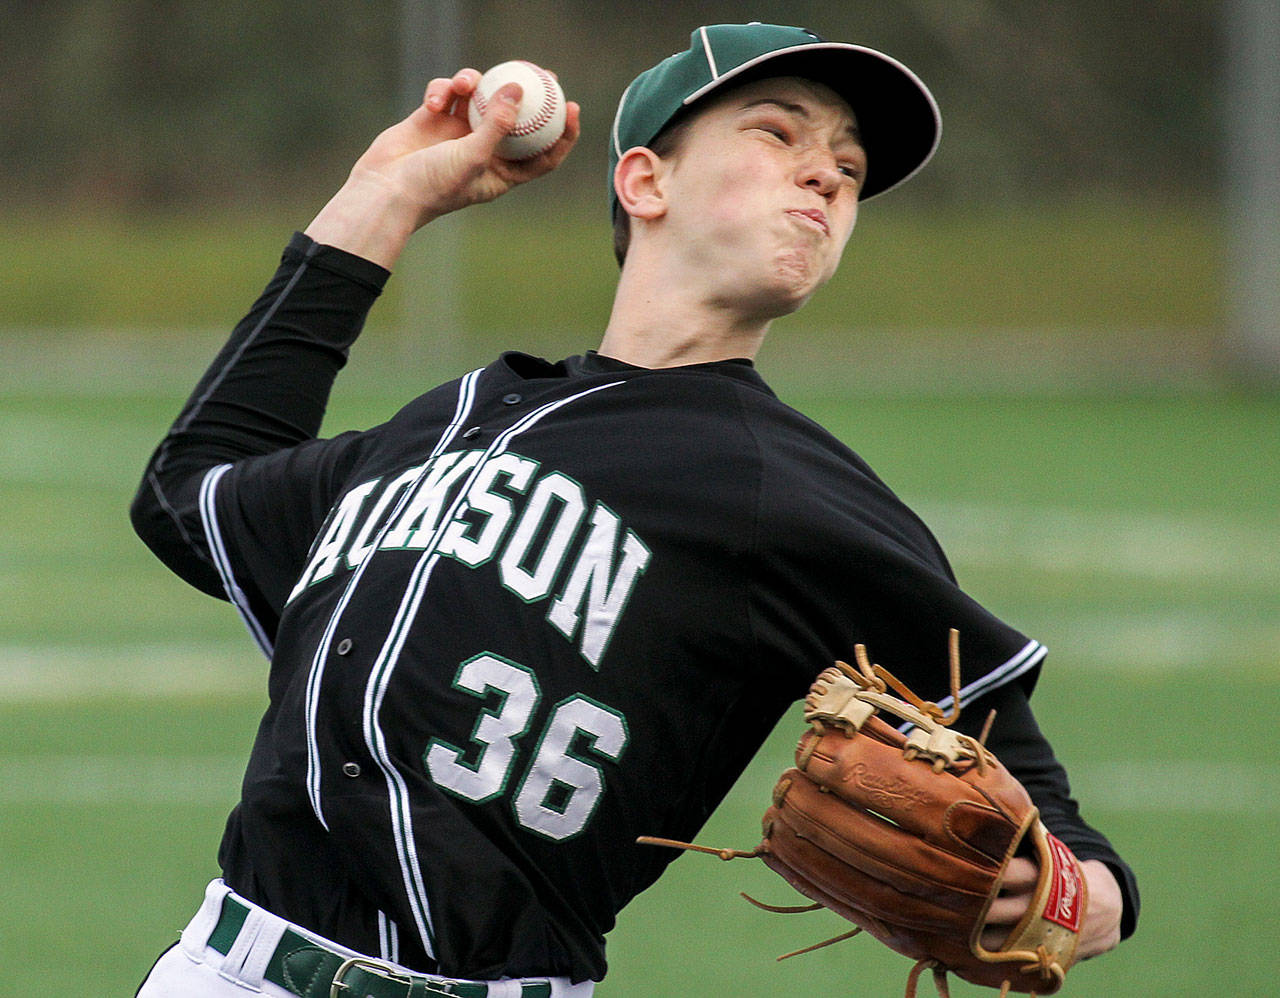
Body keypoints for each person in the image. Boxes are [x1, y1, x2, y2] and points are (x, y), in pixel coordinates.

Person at [131, 23, 1138, 998]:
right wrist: (381, 198)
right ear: (646, 181)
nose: (826, 173)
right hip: (217, 968)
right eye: (776, 132)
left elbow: (1020, 763)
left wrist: (1085, 890)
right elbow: (190, 495)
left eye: (848, 165)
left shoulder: (784, 491)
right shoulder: (445, 421)